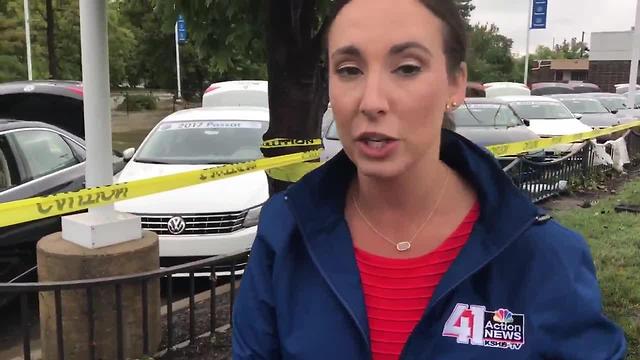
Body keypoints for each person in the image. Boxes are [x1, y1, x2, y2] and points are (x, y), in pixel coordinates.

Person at [232, 0, 627, 358]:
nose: (371, 101)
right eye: (349, 70)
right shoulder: (285, 235)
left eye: (406, 68)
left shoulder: (541, 257)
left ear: (455, 84)